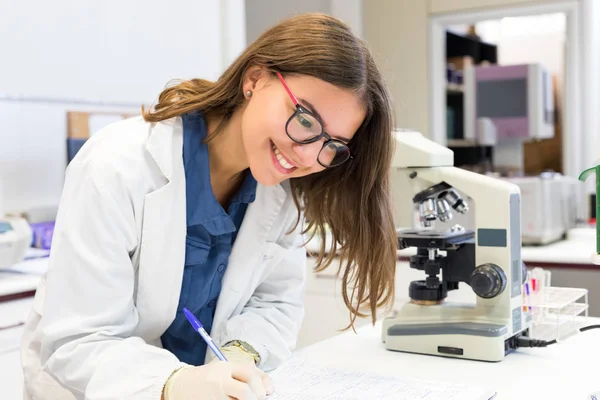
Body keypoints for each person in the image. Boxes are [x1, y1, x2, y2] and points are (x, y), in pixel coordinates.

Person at [21, 12, 398, 400]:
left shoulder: (280, 193)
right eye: (304, 119)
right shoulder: (116, 165)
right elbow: (79, 339)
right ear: (254, 79)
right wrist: (172, 383)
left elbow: (275, 302)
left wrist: (240, 354)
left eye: (332, 145)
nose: (306, 154)